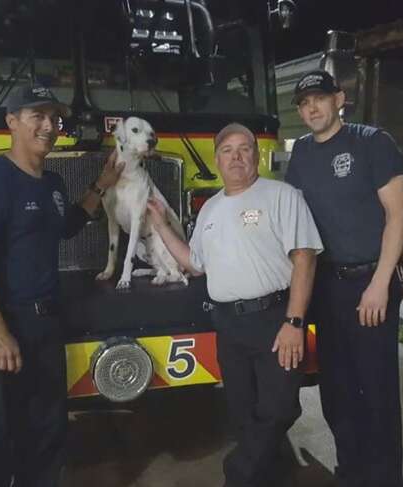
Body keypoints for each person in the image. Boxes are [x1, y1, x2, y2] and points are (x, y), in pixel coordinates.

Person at [0, 86, 122, 487]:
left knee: (46, 436)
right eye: (37, 117)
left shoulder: (52, 185)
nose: (49, 126)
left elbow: (65, 227)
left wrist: (101, 184)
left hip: (43, 326)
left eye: (54, 119)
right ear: (12, 122)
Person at [146, 123, 323, 487]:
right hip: (229, 324)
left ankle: (237, 476)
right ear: (218, 158)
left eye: (245, 148)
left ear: (256, 155)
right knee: (243, 414)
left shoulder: (282, 195)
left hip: (275, 319)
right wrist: (162, 225)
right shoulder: (210, 209)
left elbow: (305, 257)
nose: (237, 157)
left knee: (278, 408)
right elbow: (195, 263)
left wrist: (294, 321)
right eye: (228, 150)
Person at [284, 70, 403, 487]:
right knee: (336, 391)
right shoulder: (301, 152)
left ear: (339, 98)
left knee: (375, 391)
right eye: (303, 103)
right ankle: (351, 473)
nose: (311, 108)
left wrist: (379, 283)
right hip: (326, 286)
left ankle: (384, 479)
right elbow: (294, 219)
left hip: (370, 281)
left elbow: (398, 215)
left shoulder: (373, 142)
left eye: (319, 98)